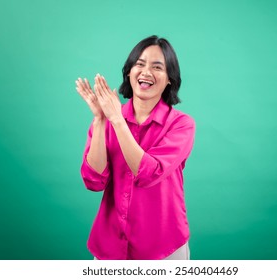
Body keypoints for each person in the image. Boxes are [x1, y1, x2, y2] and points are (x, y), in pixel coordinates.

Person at [75, 35, 195, 260]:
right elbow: (94, 181)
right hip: (110, 246)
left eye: (157, 67)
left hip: (164, 247)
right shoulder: (108, 117)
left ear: (169, 78)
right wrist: (101, 120)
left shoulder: (181, 125)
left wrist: (117, 121)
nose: (146, 72)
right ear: (129, 72)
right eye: (139, 64)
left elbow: (150, 173)